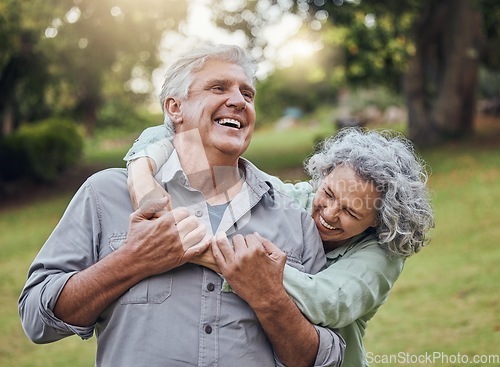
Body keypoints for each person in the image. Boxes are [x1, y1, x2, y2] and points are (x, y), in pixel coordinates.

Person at [18, 43, 345, 367]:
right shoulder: (105, 194)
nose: (238, 101)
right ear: (175, 108)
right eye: (219, 87)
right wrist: (133, 261)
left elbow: (328, 357)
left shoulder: (293, 217)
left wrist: (270, 299)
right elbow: (36, 319)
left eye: (247, 94)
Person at [124, 127, 434, 366]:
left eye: (350, 212)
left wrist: (215, 256)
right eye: (328, 193)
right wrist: (141, 171)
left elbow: (328, 302)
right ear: (323, 175)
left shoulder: (382, 255)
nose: (328, 214)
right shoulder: (290, 200)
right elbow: (172, 128)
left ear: (377, 222)